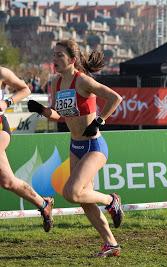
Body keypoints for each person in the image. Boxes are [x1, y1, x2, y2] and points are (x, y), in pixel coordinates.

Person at [27, 40, 123, 257]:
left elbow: (115, 98)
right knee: (83, 198)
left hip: (94, 146)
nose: (55, 60)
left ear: (72, 60)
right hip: (75, 145)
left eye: (59, 55)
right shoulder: (56, 84)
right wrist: (42, 110)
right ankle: (111, 244)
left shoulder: (83, 81)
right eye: (53, 55)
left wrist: (100, 120)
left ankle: (111, 201)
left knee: (71, 193)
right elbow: (59, 115)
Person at [0, 66, 54, 231]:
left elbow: (25, 89)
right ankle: (43, 203)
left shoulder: (2, 72)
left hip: (0, 128)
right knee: (8, 182)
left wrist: (6, 102)